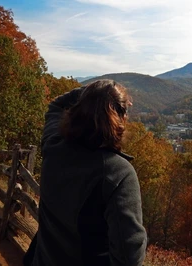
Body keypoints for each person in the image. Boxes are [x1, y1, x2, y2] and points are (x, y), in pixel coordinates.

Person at [23, 79, 147, 266]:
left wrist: (94, 92)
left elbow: (56, 105)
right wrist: (106, 94)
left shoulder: (53, 146)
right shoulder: (118, 173)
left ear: (77, 111)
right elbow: (128, 255)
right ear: (120, 119)